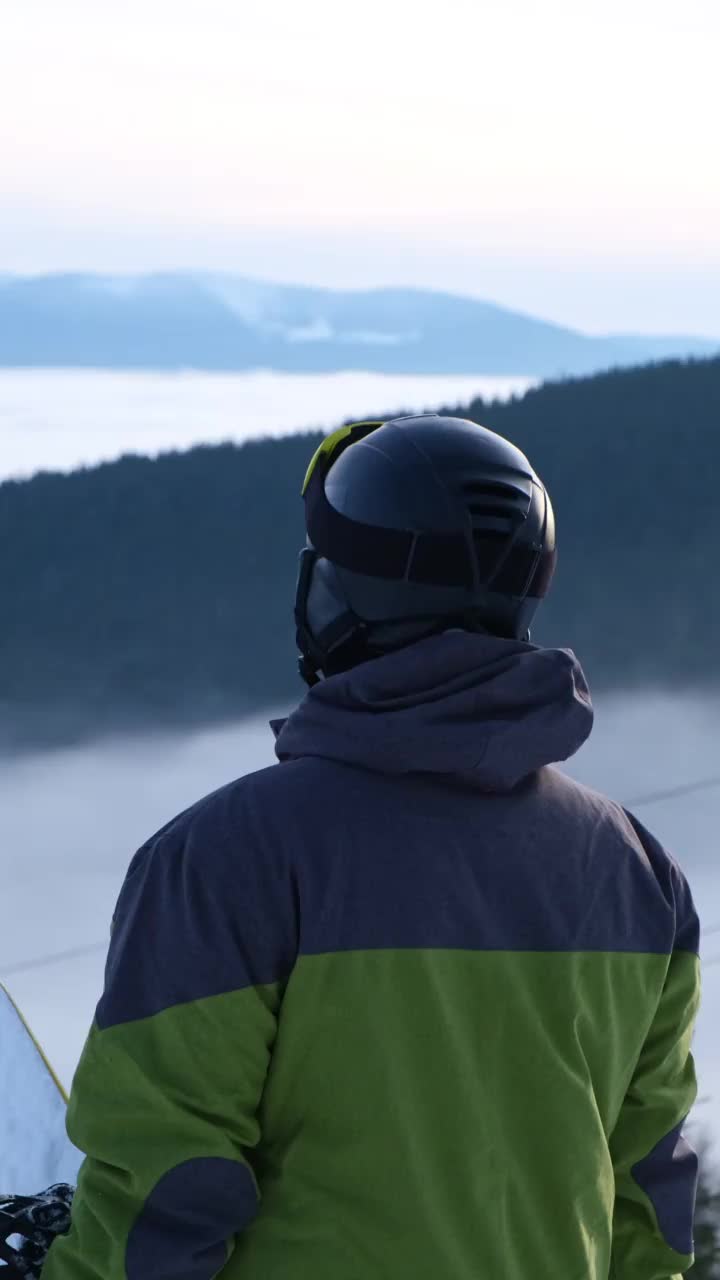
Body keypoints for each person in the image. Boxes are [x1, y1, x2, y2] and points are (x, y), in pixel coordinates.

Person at [40, 415, 700, 1280]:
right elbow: (650, 1202)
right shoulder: (638, 873)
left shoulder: (227, 858)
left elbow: (161, 1189)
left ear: (341, 598)